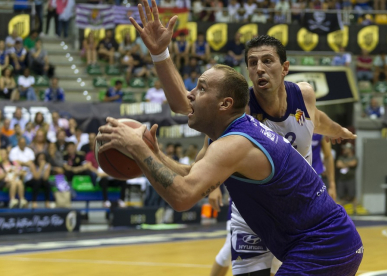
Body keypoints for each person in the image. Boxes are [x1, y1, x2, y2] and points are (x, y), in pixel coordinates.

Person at [128, 3, 357, 275]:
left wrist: (337, 131)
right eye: (252, 63)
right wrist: (160, 54)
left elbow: (317, 119)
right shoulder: (239, 109)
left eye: (267, 61)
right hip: (253, 214)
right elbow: (187, 107)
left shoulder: (304, 95)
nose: (259, 68)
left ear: (284, 68)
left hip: (299, 211)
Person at [96, 65, 363, 275]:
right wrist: (154, 155)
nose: (190, 94)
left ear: (224, 104)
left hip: (324, 246)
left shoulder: (235, 143)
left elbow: (182, 197)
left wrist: (138, 150)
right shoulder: (232, 134)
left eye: (200, 88)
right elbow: (191, 176)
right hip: (323, 243)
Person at [311, 134, 336, 201]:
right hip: (294, 176)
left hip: (316, 176)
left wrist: (332, 184)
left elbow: (328, 156)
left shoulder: (320, 129)